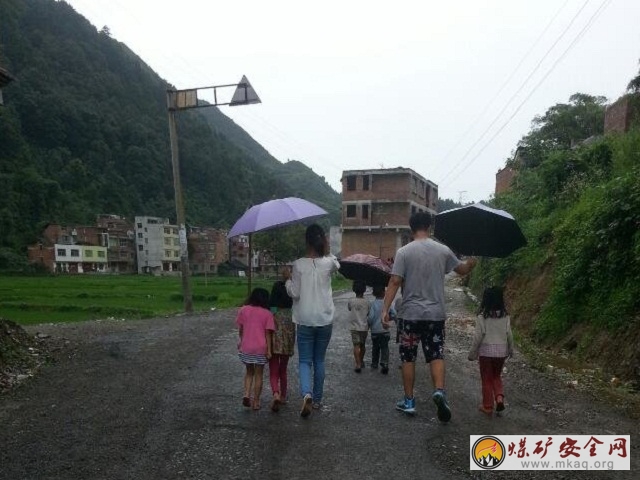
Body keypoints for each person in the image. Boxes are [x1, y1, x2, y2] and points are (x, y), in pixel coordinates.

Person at [382, 212, 477, 421]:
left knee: (408, 357)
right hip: (435, 315)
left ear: (411, 228)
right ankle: (439, 391)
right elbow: (462, 270)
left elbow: (395, 281)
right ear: (430, 227)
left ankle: (408, 401)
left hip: (410, 315)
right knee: (436, 354)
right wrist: (473, 260)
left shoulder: (404, 252)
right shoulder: (443, 250)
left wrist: (385, 309)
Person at [285, 224, 340, 418]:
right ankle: (316, 400)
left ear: (306, 241)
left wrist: (287, 280)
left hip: (305, 319)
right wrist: (327, 248)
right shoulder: (329, 262)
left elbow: (295, 293)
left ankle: (306, 393)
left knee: (305, 361)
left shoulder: (298, 265)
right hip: (325, 318)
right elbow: (336, 262)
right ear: (322, 240)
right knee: (319, 360)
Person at [468, 287, 514, 415]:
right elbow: (509, 335)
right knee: (496, 376)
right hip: (501, 353)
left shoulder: (482, 317)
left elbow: (478, 337)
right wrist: (511, 350)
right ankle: (499, 398)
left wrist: (472, 353)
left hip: (486, 353)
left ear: (485, 300)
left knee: (486, 379)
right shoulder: (505, 316)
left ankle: (487, 406)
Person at [236, 287, 275, 410]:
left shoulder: (243, 310)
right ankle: (256, 401)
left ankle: (246, 394)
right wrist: (269, 350)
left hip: (246, 347)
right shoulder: (267, 314)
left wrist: (241, 342)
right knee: (259, 374)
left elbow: (241, 329)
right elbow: (268, 333)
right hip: (260, 348)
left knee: (249, 373)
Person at [268, 269, 295, 413]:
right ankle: (283, 396)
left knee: (273, 369)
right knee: (283, 369)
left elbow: (271, 304)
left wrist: (272, 315)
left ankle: (275, 393)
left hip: (274, 338)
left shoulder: (273, 312)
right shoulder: (291, 314)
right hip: (288, 337)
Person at [368, 285, 395, 374]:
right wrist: (389, 318)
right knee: (385, 347)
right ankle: (385, 363)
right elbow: (394, 314)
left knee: (375, 347)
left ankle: (374, 363)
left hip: (375, 331)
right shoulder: (387, 304)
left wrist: (369, 324)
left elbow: (371, 317)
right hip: (385, 330)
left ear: (373, 294)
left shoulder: (373, 304)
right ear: (384, 293)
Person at [347, 280, 369, 373]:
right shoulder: (367, 302)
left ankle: (358, 363)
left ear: (354, 289)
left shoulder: (351, 301)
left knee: (356, 345)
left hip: (354, 328)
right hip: (364, 327)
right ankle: (362, 360)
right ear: (364, 289)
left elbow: (349, 308)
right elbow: (368, 313)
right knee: (362, 345)